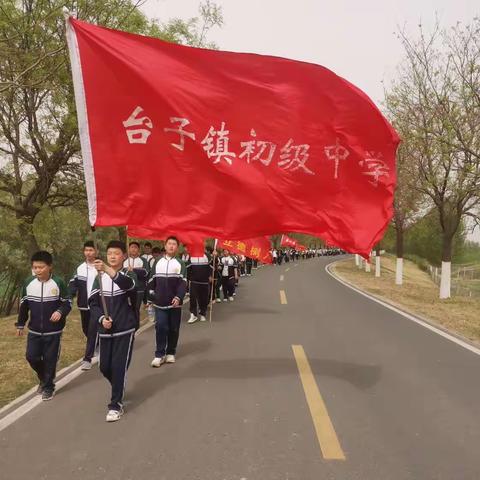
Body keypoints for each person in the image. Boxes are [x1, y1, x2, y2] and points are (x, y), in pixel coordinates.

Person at [89, 240, 138, 423]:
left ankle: (115, 404)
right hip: (105, 330)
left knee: (118, 366)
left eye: (116, 253)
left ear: (123, 256)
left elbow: (129, 287)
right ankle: (119, 385)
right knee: (104, 367)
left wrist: (108, 270)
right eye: (109, 253)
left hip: (125, 329)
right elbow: (93, 304)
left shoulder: (129, 274)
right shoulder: (98, 278)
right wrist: (102, 318)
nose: (112, 256)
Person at [15, 251, 72, 401]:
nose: (38, 270)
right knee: (31, 356)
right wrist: (20, 324)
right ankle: (43, 378)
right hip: (34, 330)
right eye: (35, 267)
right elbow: (24, 305)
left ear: (49, 267)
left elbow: (67, 303)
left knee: (50, 359)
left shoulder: (58, 282)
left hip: (54, 331)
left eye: (41, 267)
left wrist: (60, 311)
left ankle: (48, 387)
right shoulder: (28, 283)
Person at [148, 236, 187, 367]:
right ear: (165, 246)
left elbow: (183, 283)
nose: (171, 246)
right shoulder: (157, 262)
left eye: (174, 244)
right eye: (169, 244)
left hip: (175, 303)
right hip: (160, 302)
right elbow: (151, 281)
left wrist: (178, 297)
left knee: (174, 328)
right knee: (161, 327)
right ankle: (159, 354)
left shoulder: (180, 263)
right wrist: (151, 296)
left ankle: (171, 352)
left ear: (177, 247)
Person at [69, 240, 98, 371]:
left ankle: (87, 358)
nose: (88, 253)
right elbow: (73, 285)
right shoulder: (80, 268)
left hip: (97, 304)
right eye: (86, 250)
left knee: (92, 330)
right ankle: (97, 344)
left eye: (91, 250)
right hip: (83, 304)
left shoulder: (101, 267)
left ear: (96, 252)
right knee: (85, 329)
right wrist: (68, 296)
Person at [123, 241, 148, 320]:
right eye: (131, 247)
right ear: (128, 249)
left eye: (135, 247)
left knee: (136, 308)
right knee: (126, 308)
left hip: (139, 289)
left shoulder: (143, 260)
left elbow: (145, 273)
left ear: (138, 250)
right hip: (126, 289)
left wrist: (134, 270)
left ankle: (136, 325)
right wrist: (127, 270)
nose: (133, 249)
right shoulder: (124, 260)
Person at [186, 250, 213, 324]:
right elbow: (188, 267)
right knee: (193, 298)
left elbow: (211, 266)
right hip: (194, 281)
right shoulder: (191, 255)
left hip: (204, 281)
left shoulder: (207, 255)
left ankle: (202, 313)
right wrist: (188, 279)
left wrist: (210, 275)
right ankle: (193, 314)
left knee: (203, 298)